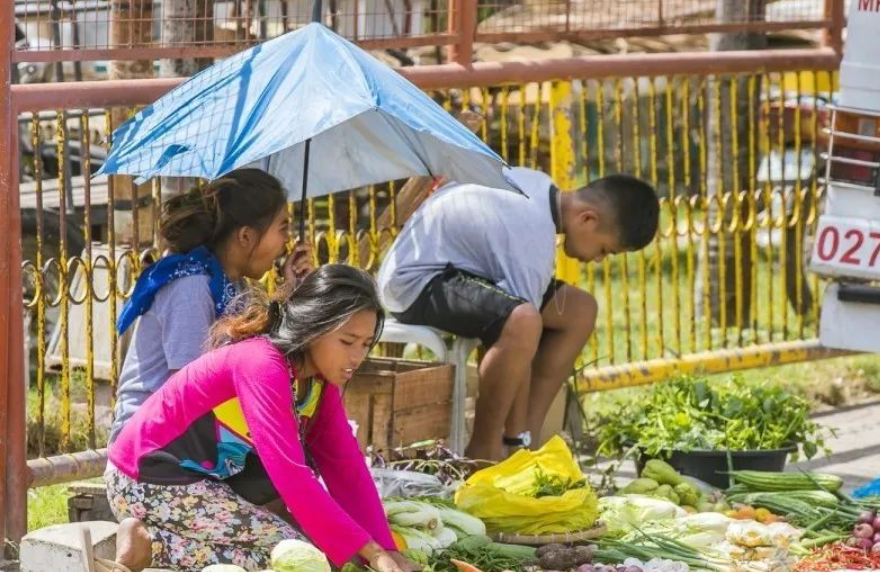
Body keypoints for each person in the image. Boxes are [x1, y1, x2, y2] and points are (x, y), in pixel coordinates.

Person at [105, 264, 420, 572]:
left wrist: (386, 550)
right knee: (296, 557)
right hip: (144, 476)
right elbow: (292, 476)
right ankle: (154, 545)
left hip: (201, 482)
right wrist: (372, 552)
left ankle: (150, 542)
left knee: (315, 552)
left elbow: (346, 467)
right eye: (347, 342)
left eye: (366, 344)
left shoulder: (319, 383)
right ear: (314, 328)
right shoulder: (262, 364)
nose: (357, 357)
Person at [376, 167, 660, 462]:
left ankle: (530, 438)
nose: (599, 260)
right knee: (523, 322)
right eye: (605, 250)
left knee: (579, 310)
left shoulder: (543, 187)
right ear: (587, 218)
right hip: (416, 283)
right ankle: (485, 451)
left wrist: (521, 434)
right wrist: (512, 438)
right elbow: (519, 332)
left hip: (463, 269)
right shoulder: (532, 231)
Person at [109, 168, 313, 444]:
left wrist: (291, 291)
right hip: (152, 447)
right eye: (283, 228)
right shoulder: (191, 288)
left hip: (199, 439)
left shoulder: (236, 286)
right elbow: (191, 390)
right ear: (246, 237)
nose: (288, 241)